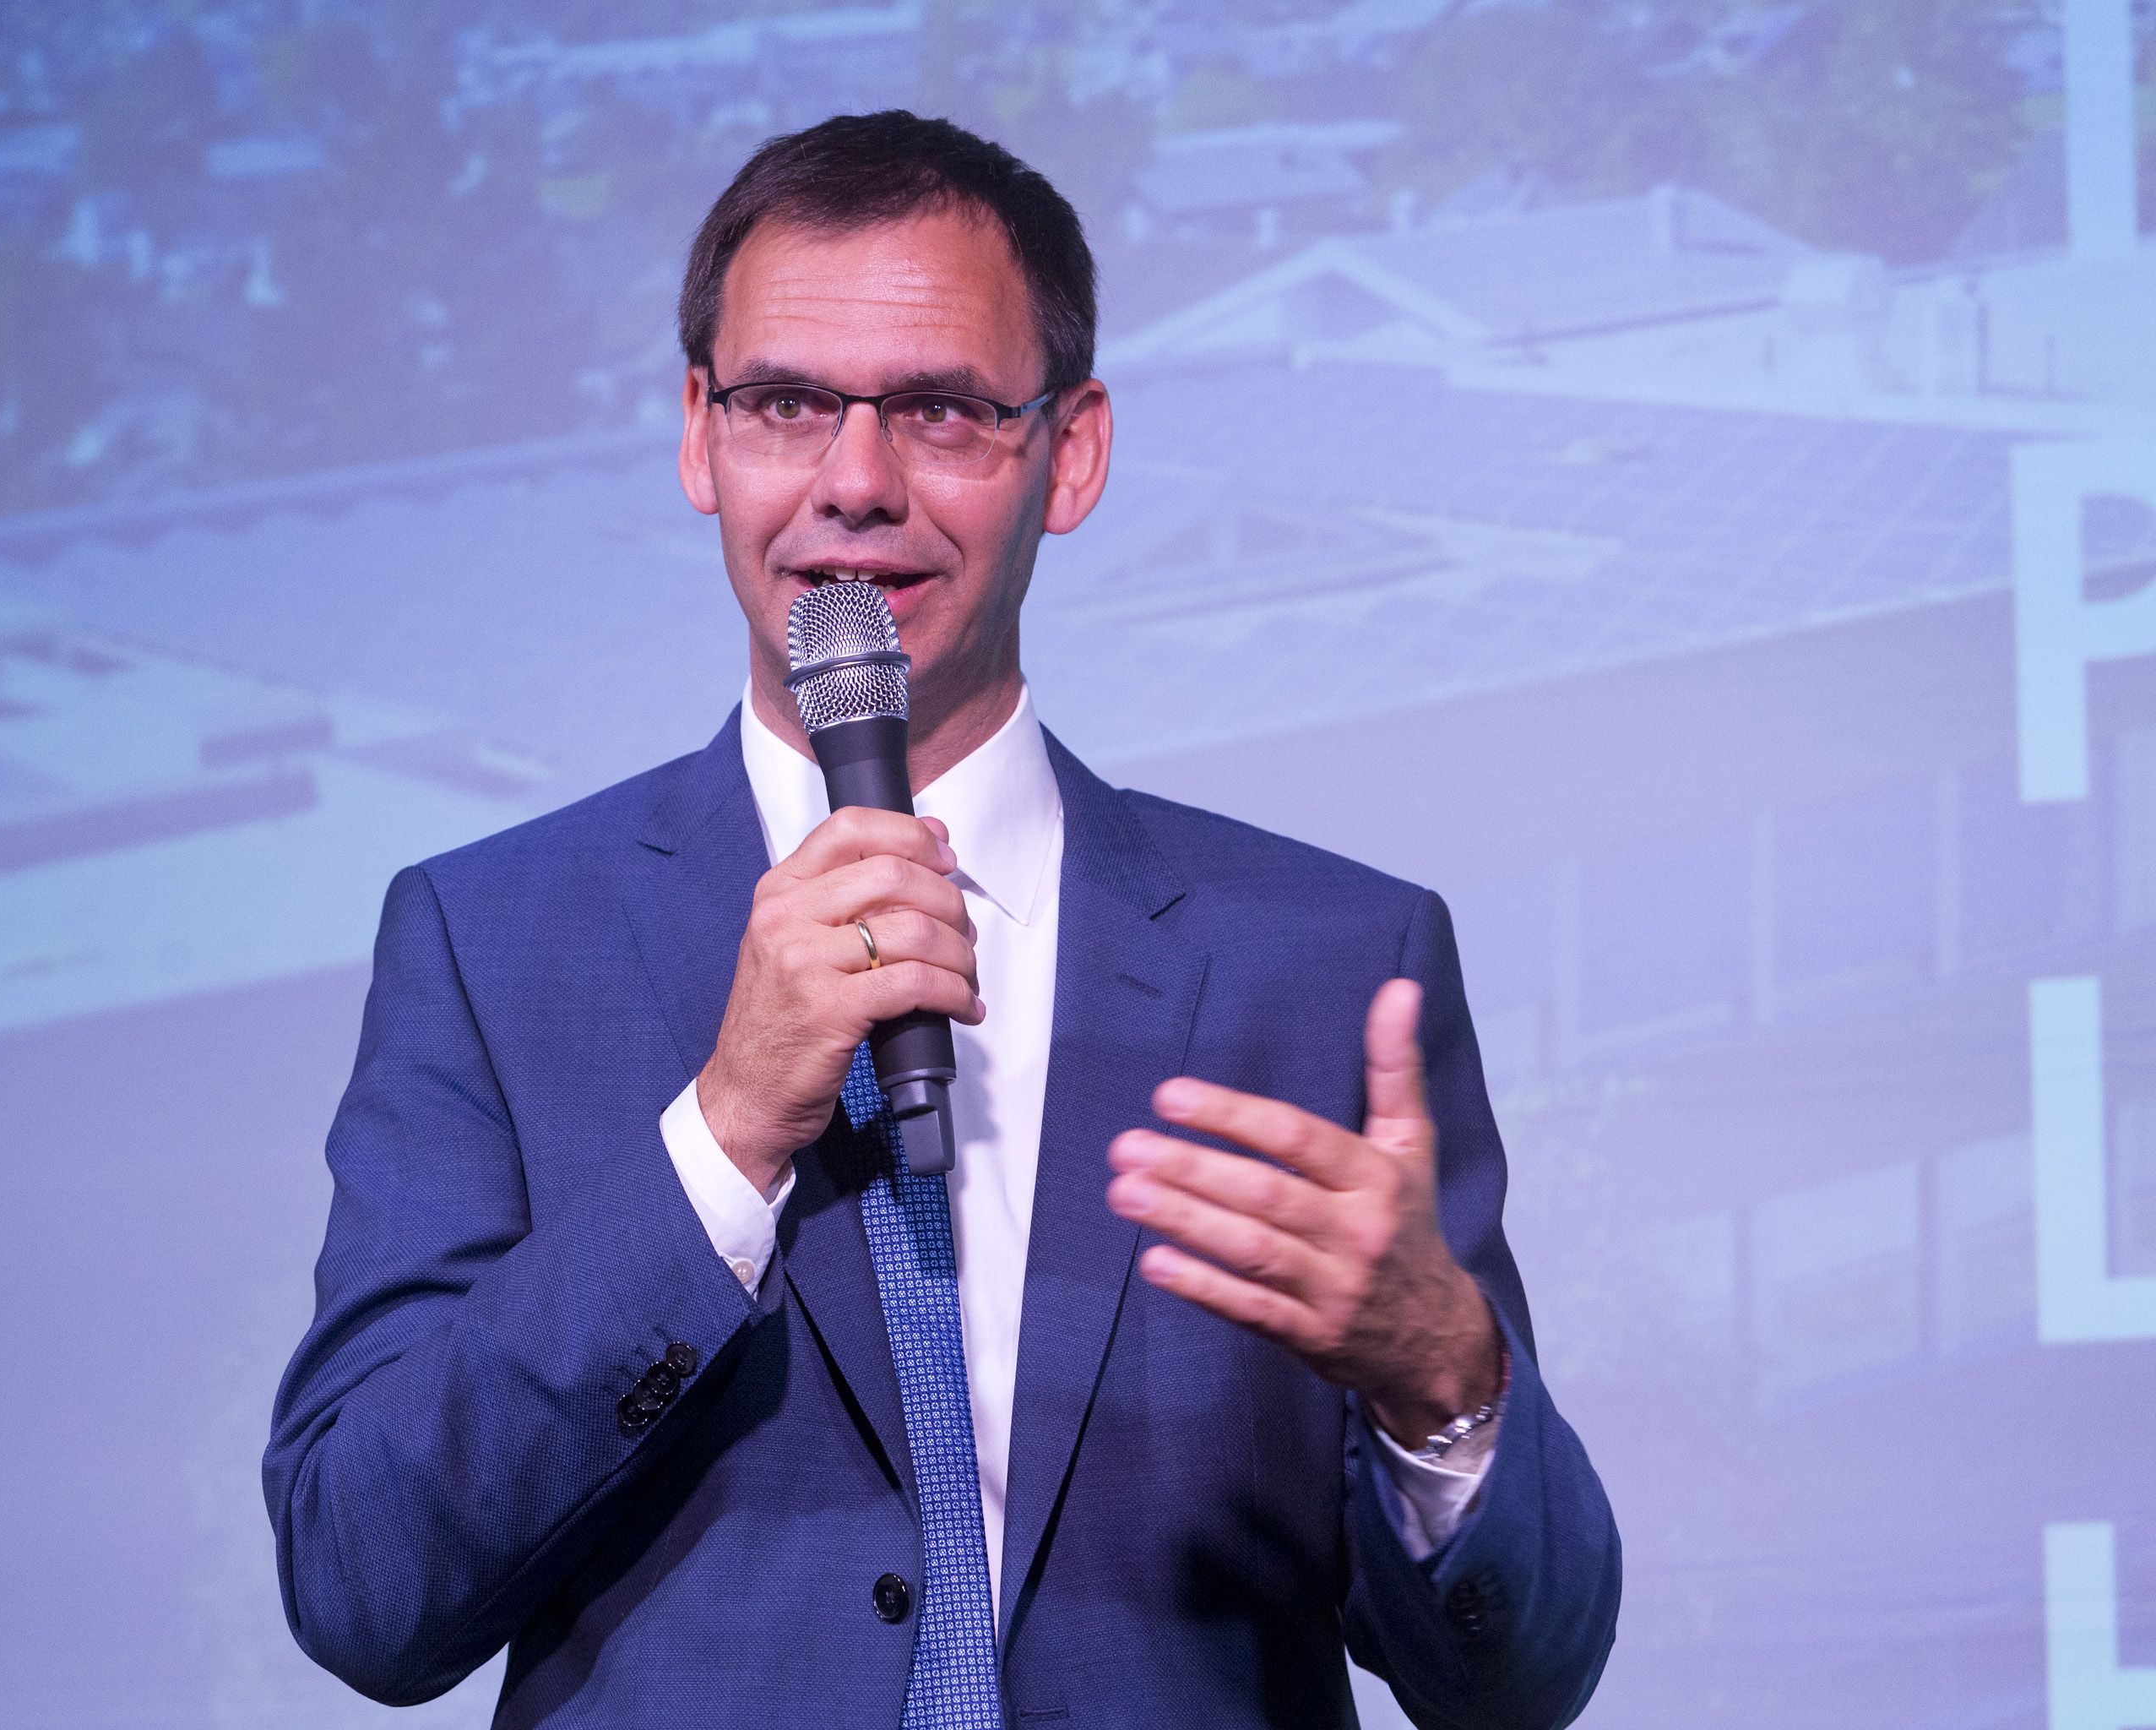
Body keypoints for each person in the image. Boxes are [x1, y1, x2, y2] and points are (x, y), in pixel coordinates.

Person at [264, 111, 1619, 1729]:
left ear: (1073, 451)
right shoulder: (491, 944)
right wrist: (723, 1137)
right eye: (786, 404)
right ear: (699, 436)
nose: (856, 483)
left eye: (943, 412)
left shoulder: (1326, 965)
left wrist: (1445, 1385)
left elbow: (1519, 1681)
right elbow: (362, 1588)